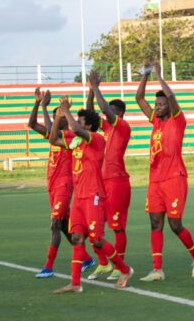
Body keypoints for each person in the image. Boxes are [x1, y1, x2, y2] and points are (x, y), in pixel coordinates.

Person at [48, 95, 133, 293]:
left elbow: (76, 129)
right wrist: (57, 120)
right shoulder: (77, 142)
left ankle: (125, 269)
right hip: (78, 197)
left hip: (94, 196)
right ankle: (75, 283)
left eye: (80, 121)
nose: (76, 123)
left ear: (88, 126)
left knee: (97, 239)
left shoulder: (96, 139)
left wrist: (66, 110)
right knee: (77, 238)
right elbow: (53, 139)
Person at [136, 62, 194, 282]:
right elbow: (139, 99)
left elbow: (172, 97)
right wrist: (145, 76)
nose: (156, 107)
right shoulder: (155, 121)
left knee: (175, 225)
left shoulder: (177, 121)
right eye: (155, 104)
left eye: (160, 104)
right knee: (155, 223)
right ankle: (157, 269)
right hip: (155, 181)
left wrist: (158, 75)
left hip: (175, 178)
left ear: (168, 106)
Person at [28, 88, 94, 278]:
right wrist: (38, 104)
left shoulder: (72, 137)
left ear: (66, 118)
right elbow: (32, 124)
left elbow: (52, 131)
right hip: (52, 184)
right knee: (64, 224)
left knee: (55, 224)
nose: (58, 118)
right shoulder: (54, 136)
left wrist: (51, 110)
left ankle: (48, 266)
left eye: (60, 115)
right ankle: (87, 258)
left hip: (64, 185)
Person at [85, 71, 133, 281]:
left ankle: (118, 265)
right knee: (93, 225)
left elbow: (103, 109)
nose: (106, 115)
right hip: (100, 183)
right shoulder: (105, 128)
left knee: (117, 226)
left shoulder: (122, 127)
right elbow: (90, 114)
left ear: (120, 113)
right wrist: (90, 89)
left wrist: (96, 87)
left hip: (117, 182)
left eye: (112, 112)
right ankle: (103, 263)